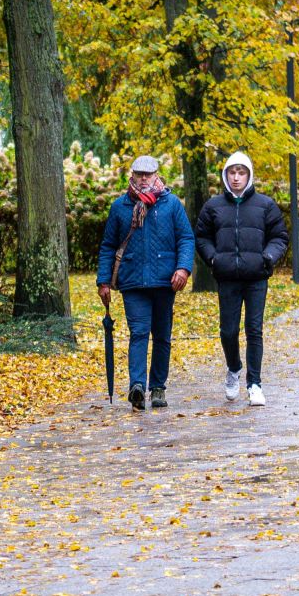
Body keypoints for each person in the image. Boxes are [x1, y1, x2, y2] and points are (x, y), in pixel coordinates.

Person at [97, 155, 194, 411]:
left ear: (156, 175)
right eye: (139, 174)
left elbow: (186, 238)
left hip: (165, 281)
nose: (143, 178)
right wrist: (103, 281)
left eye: (147, 174)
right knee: (139, 333)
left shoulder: (171, 204)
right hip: (133, 282)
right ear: (132, 175)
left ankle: (158, 387)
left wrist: (183, 268)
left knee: (162, 336)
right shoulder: (120, 207)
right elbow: (108, 245)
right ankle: (137, 386)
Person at [195, 152, 289, 407]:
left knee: (254, 329)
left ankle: (254, 384)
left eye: (241, 172)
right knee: (228, 331)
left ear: (249, 175)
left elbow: (279, 236)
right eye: (232, 172)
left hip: (256, 277)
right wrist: (213, 258)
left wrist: (268, 257)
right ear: (225, 175)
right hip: (227, 277)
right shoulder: (213, 206)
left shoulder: (265, 205)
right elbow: (202, 237)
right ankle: (234, 367)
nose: (236, 177)